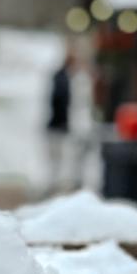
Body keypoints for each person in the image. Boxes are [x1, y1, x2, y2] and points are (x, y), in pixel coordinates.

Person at [45, 43, 83, 190]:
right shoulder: (62, 79)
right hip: (57, 125)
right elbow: (59, 101)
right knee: (56, 157)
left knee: (59, 158)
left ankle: (55, 182)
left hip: (59, 124)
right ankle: (53, 183)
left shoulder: (64, 78)